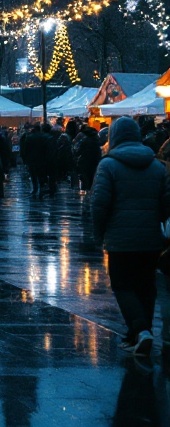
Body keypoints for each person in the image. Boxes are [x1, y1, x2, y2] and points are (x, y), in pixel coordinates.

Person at [92, 116, 170, 357]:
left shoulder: (108, 165)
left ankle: (140, 330)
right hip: (150, 239)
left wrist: (99, 233)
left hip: (120, 238)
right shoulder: (157, 166)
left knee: (123, 285)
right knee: (146, 286)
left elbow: (99, 204)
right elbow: (167, 204)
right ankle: (137, 335)